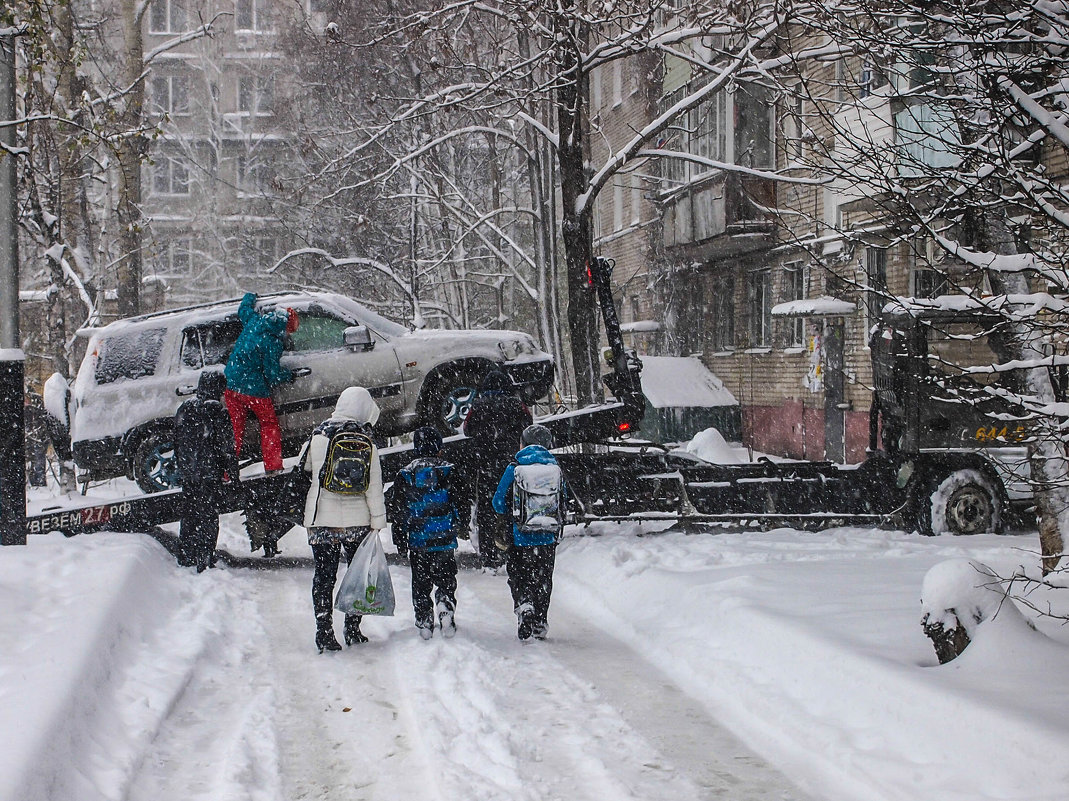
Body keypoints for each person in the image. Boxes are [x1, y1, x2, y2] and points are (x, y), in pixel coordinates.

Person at [301, 386, 387, 653]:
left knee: (324, 576)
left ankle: (323, 629)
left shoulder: (317, 436)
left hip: (322, 522)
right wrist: (378, 522)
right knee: (356, 575)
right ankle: (352, 627)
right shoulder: (367, 440)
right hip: (356, 522)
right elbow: (374, 486)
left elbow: (305, 470)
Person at [492, 424, 566, 641]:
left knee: (519, 574)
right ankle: (540, 621)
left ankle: (524, 605)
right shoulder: (555, 469)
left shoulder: (514, 467)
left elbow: (497, 502)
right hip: (547, 535)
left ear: (522, 443)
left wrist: (509, 514)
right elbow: (564, 500)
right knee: (543, 577)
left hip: (520, 535)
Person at [393, 426, 461, 639]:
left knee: (421, 582)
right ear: (439, 447)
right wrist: (459, 524)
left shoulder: (405, 474)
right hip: (444, 538)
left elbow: (399, 511)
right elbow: (460, 502)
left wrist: (400, 540)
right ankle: (445, 605)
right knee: (446, 576)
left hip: (418, 541)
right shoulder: (450, 470)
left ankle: (424, 620)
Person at [462, 369, 531, 568]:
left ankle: (489, 557)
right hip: (510, 466)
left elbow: (467, 430)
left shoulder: (478, 406)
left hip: (485, 466)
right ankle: (512, 550)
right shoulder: (517, 405)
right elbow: (528, 428)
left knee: (486, 511)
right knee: (511, 508)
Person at [223, 292, 299, 473]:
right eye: (290, 330)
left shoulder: (255, 321)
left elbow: (243, 310)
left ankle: (227, 472)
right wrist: (288, 376)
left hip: (232, 385)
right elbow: (272, 374)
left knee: (235, 431)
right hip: (254, 390)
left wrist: (250, 296)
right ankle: (273, 467)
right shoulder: (273, 342)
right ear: (284, 327)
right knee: (268, 424)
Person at [174, 371, 240, 571]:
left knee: (189, 514)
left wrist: (183, 467)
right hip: (209, 474)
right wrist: (234, 476)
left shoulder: (184, 408)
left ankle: (185, 555)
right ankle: (204, 557)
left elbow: (176, 442)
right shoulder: (217, 410)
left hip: (188, 473)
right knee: (208, 516)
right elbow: (227, 447)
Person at [24, 390, 49, 488]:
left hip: (37, 438)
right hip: (35, 438)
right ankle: (37, 483)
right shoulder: (33, 410)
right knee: (35, 461)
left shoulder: (34, 409)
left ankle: (39, 483)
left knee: (38, 461)